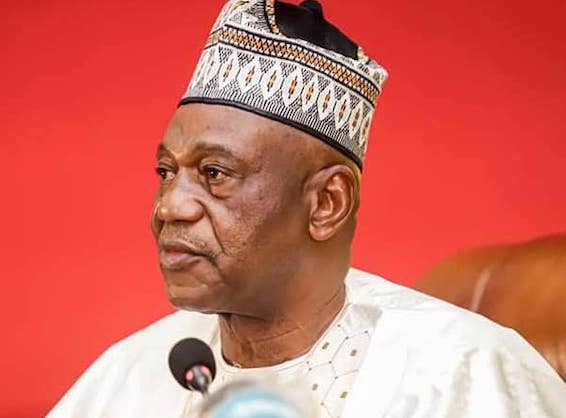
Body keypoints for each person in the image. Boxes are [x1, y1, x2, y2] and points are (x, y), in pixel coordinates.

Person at [48, 1, 566, 417]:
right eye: (166, 172)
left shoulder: (462, 373)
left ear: (326, 203)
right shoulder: (132, 372)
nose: (170, 207)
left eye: (215, 174)